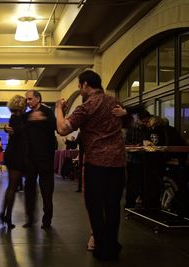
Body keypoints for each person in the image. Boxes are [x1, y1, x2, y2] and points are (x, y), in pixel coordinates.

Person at [56, 70, 126, 261]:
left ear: (85, 84)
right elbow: (130, 121)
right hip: (118, 162)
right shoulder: (115, 102)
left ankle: (102, 247)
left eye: (79, 87)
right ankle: (113, 245)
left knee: (95, 205)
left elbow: (62, 129)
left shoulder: (87, 106)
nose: (80, 90)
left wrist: (58, 110)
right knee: (113, 205)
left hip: (97, 162)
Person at [22, 90, 56, 229]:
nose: (28, 101)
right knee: (29, 189)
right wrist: (7, 129)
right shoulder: (27, 115)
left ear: (38, 98)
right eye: (27, 100)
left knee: (46, 191)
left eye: (30, 99)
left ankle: (47, 220)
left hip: (46, 158)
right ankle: (30, 218)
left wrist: (43, 119)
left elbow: (56, 126)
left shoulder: (48, 112)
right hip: (30, 159)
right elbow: (19, 129)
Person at [0, 95, 28, 229]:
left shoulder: (15, 118)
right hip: (17, 154)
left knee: (12, 186)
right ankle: (7, 217)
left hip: (13, 153)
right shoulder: (18, 118)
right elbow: (21, 133)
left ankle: (4, 214)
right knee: (13, 187)